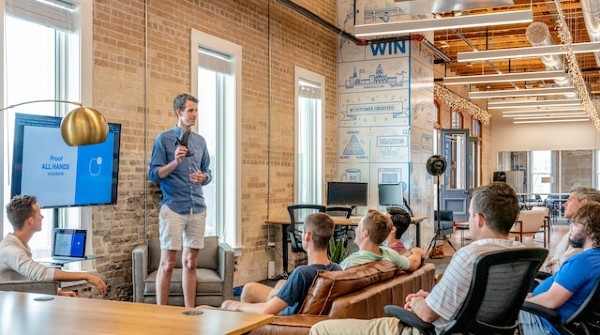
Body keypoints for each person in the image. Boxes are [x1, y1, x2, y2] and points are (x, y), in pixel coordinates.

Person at [310, 182, 522, 335]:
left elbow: (428, 315)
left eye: (469, 214)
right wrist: (432, 297)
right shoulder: (520, 253)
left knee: (322, 329)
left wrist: (419, 301)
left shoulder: (470, 256)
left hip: (425, 330)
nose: (468, 219)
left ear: (480, 219)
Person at [148, 93, 212, 308]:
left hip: (197, 208)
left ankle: (189, 312)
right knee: (167, 265)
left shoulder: (200, 141)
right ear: (179, 112)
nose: (194, 115)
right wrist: (175, 162)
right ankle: (161, 313)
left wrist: (204, 177)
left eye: (196, 111)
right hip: (173, 208)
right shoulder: (163, 139)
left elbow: (208, 172)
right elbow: (154, 175)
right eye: (191, 111)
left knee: (190, 262)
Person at [220, 213, 340, 315]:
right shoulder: (337, 269)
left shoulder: (302, 273)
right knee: (249, 289)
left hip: (284, 317)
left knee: (214, 307)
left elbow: (267, 310)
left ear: (307, 235)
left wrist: (234, 305)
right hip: (299, 308)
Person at [0, 195, 107, 296]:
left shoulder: (19, 246)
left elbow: (27, 278)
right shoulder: (11, 251)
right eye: (39, 213)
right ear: (30, 221)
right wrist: (85, 275)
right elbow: (41, 274)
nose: (42, 217)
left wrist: (58, 292)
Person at [519, 201, 600, 335]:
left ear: (590, 230)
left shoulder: (582, 262)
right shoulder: (594, 259)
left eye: (575, 223)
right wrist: (529, 297)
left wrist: (518, 302)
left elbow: (550, 301)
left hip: (544, 323)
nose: (571, 228)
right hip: (554, 316)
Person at [340, 209, 425, 271]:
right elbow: (413, 263)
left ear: (365, 233)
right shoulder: (390, 254)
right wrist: (417, 251)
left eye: (358, 226)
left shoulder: (349, 263)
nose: (355, 229)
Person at [541, 187, 600, 273]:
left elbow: (564, 268)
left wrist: (549, 266)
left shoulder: (581, 234)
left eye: (570, 200)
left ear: (584, 202)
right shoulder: (575, 228)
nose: (564, 204)